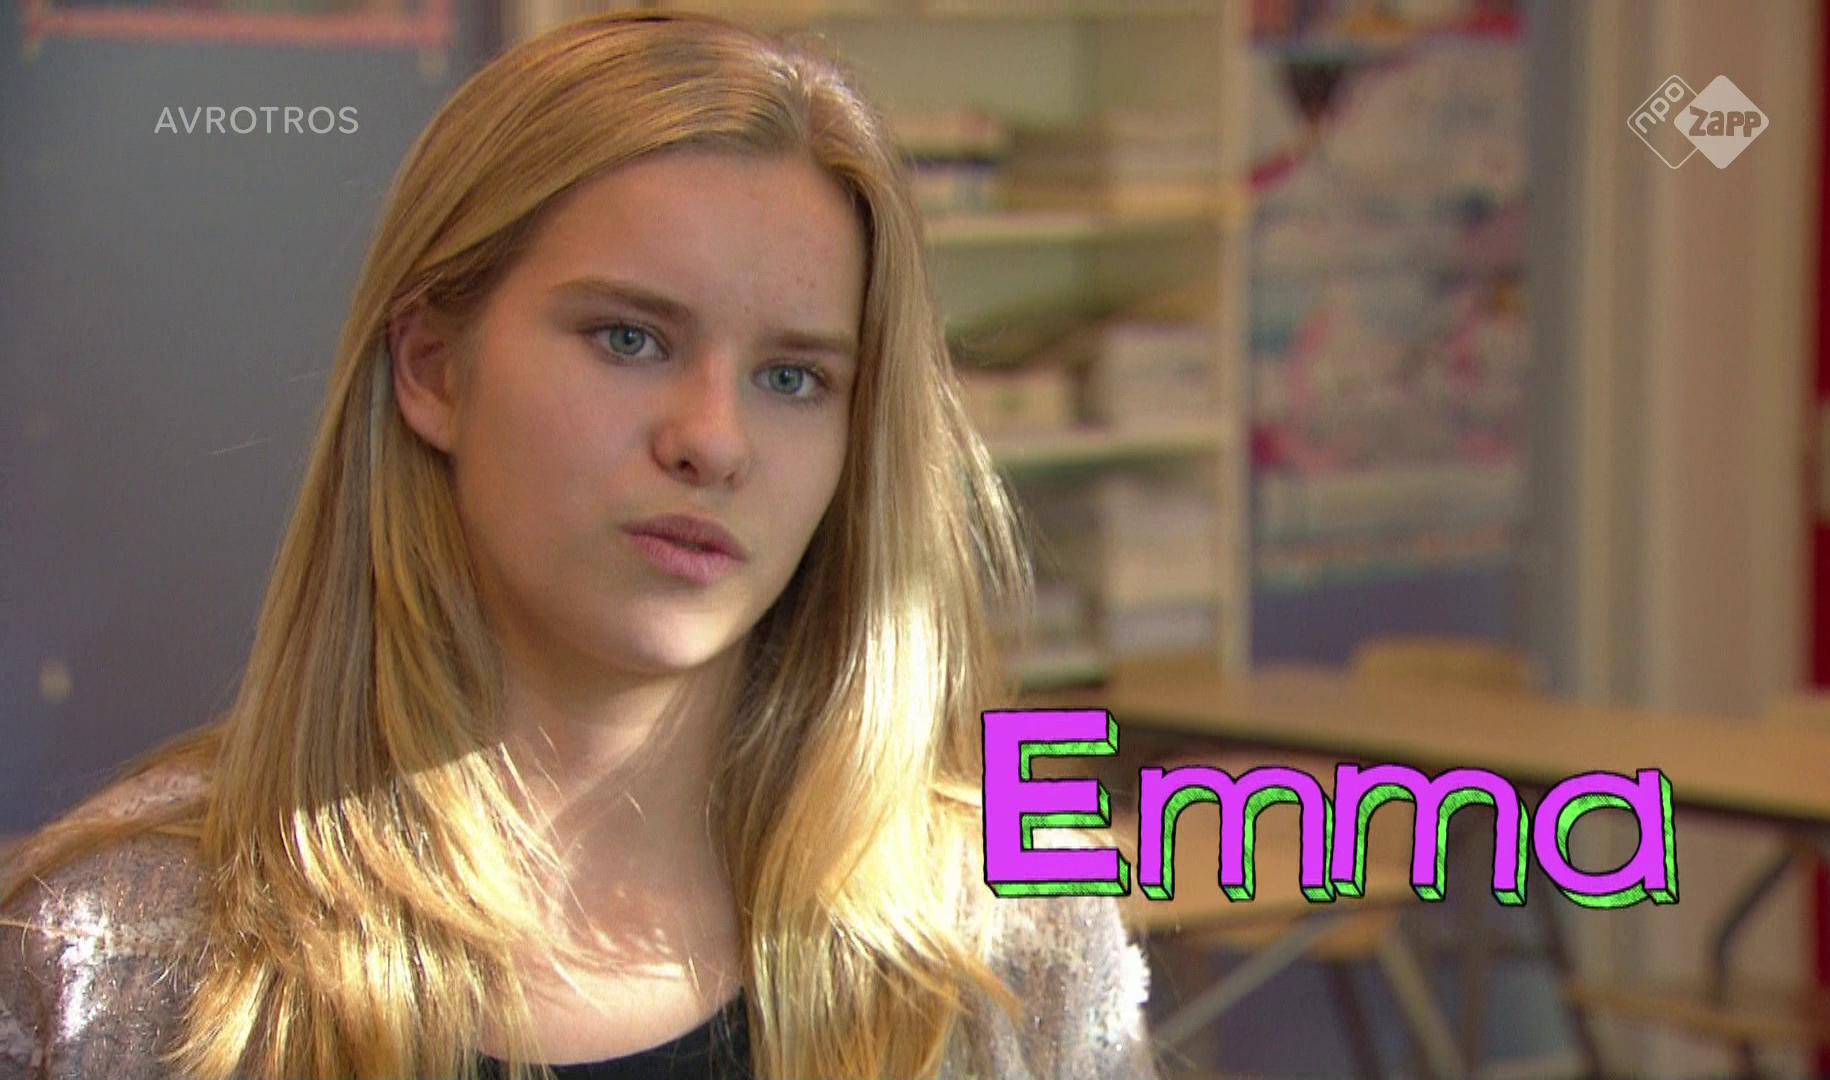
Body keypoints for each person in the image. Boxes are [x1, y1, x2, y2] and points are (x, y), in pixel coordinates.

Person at [0, 11, 1158, 1079]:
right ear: (432, 367)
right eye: (629, 339)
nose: (713, 440)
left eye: (793, 378)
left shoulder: (1013, 944)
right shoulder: (119, 957)